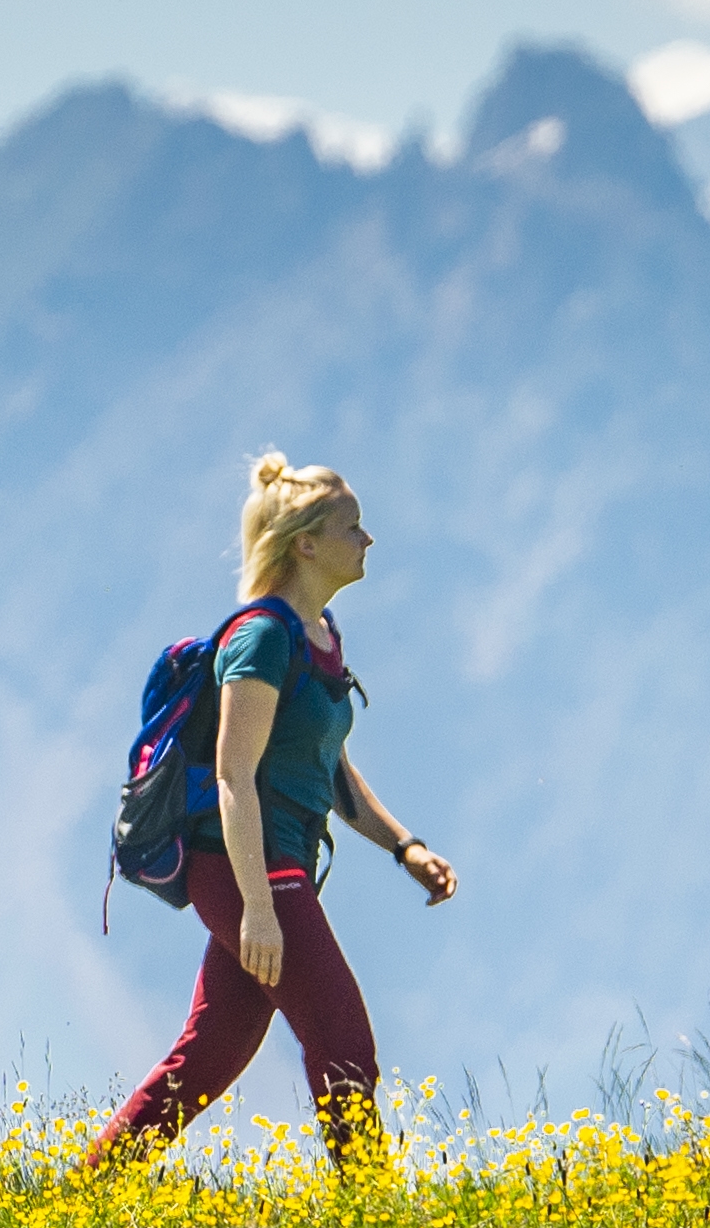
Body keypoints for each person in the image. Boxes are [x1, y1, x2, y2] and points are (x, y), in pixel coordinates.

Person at [93, 454, 457, 1177]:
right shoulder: (261, 637)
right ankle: (371, 1207)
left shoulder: (321, 636)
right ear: (306, 543)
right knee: (343, 1040)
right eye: (352, 526)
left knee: (211, 1053)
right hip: (244, 866)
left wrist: (405, 847)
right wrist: (257, 904)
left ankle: (84, 1189)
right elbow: (233, 774)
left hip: (277, 866)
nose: (368, 539)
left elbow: (332, 771)